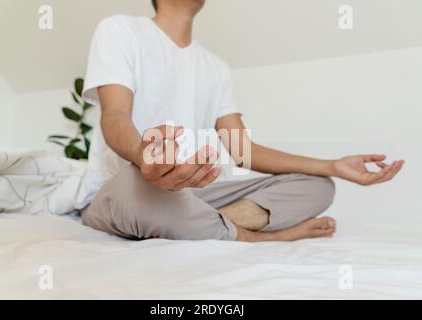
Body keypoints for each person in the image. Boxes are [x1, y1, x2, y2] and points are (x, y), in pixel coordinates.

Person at [75, 0, 404, 242]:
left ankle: (203, 225)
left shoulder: (214, 66)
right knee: (135, 188)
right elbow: (115, 117)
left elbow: (242, 151)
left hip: (190, 197)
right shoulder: (120, 29)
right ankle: (262, 238)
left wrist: (332, 165)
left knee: (317, 186)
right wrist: (144, 156)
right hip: (127, 189)